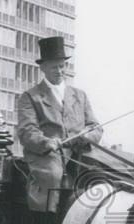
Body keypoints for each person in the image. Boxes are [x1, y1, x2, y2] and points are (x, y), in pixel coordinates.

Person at [16, 36, 102, 213]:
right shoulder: (30, 97)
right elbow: (26, 131)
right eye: (54, 67)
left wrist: (87, 135)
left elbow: (96, 127)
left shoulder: (80, 95)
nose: (59, 71)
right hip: (47, 155)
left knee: (103, 174)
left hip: (79, 152)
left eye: (62, 66)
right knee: (53, 175)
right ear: (43, 68)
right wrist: (46, 142)